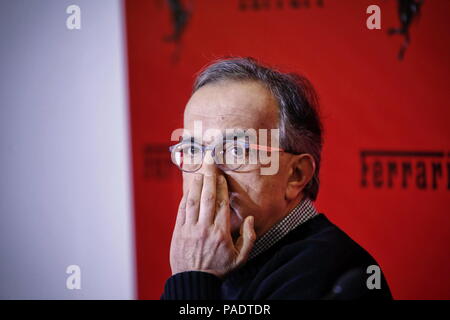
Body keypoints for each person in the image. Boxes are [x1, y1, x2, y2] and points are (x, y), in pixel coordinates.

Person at [161, 57, 392, 300]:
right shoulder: (218, 256)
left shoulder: (333, 275)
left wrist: (195, 277)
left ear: (296, 175)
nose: (208, 174)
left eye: (236, 151)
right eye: (193, 149)